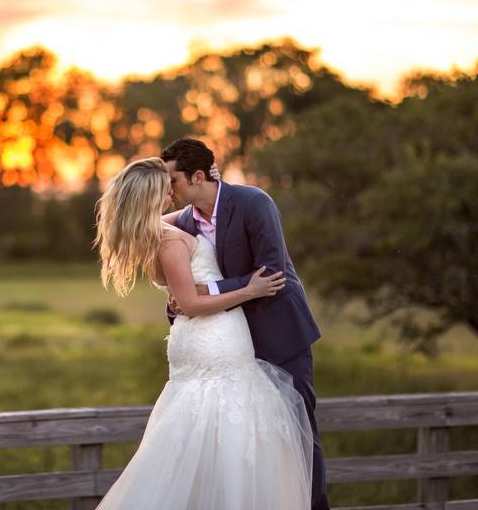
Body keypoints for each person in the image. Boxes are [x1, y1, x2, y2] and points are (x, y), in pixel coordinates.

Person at [93, 156, 313, 509]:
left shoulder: (158, 229)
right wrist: (248, 291)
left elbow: (183, 286)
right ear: (153, 197)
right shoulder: (169, 240)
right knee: (229, 430)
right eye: (165, 189)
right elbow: (191, 303)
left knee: (214, 433)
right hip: (212, 340)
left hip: (207, 339)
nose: (171, 193)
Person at [161, 137, 329, 510]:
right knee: (244, 441)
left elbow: (272, 273)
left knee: (298, 432)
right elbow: (180, 275)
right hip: (228, 343)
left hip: (280, 334)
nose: (167, 189)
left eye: (172, 180)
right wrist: (181, 302)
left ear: (198, 176)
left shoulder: (253, 202)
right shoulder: (183, 222)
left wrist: (210, 288)